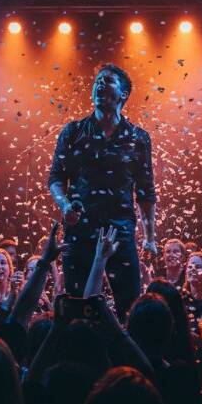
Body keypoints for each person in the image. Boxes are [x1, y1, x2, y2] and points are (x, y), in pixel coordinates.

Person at [49, 63, 158, 318]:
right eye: (97, 81)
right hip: (80, 230)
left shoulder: (138, 137)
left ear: (123, 94)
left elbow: (146, 191)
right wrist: (64, 205)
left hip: (120, 230)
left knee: (129, 305)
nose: (99, 84)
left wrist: (150, 237)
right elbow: (55, 178)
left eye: (107, 81)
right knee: (77, 305)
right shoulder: (73, 131)